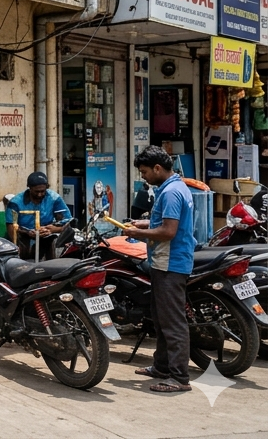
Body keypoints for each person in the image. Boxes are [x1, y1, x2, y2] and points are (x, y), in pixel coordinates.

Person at [123, 145, 197, 394]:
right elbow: (165, 221)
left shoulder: (171, 192)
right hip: (164, 262)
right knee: (161, 318)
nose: (143, 177)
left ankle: (179, 377)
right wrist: (144, 223)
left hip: (171, 263)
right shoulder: (173, 187)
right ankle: (162, 367)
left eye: (144, 172)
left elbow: (168, 231)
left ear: (157, 168)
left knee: (173, 322)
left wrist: (138, 233)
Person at [4, 171, 72, 259]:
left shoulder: (54, 199)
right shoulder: (15, 203)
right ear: (29, 188)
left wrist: (53, 229)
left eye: (42, 191)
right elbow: (11, 226)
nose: (39, 194)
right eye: (36, 191)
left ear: (47, 187)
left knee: (52, 243)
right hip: (22, 236)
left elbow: (67, 222)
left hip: (45, 238)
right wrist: (27, 233)